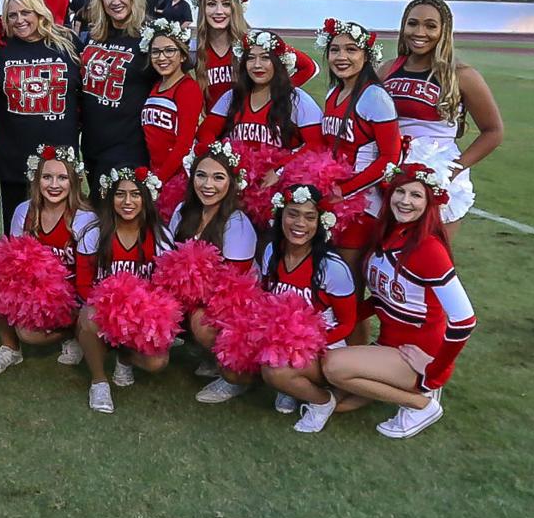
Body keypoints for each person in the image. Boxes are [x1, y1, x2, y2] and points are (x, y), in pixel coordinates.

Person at [322, 162, 476, 439]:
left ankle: (422, 401)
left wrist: (435, 370)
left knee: (333, 366)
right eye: (400, 192)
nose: (405, 201)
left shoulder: (429, 249)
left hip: (419, 353)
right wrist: (334, 323)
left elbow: (465, 321)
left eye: (416, 195)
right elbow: (382, 300)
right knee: (335, 402)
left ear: (429, 202)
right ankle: (409, 388)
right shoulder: (385, 236)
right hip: (390, 346)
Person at [381, 0, 503, 239]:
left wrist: (451, 171)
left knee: (429, 260)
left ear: (444, 31)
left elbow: (493, 131)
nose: (420, 32)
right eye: (413, 24)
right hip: (392, 175)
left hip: (435, 177)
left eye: (430, 26)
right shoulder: (387, 69)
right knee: (384, 256)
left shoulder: (461, 75)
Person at [0, 146, 94, 374]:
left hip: (72, 295)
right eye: (47, 177)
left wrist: (84, 315)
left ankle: (75, 333)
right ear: (36, 180)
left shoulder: (84, 219)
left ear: (74, 181)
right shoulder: (24, 212)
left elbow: (86, 279)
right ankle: (10, 349)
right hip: (35, 289)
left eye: (62, 177)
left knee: (29, 334)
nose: (54, 185)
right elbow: (11, 260)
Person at [256, 185, 357, 433]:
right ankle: (292, 385)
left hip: (323, 345)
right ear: (280, 216)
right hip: (283, 340)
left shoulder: (331, 267)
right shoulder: (271, 252)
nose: (299, 223)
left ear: (321, 223)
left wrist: (303, 345)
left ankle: (322, 401)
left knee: (274, 371)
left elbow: (347, 324)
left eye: (310, 217)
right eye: (292, 214)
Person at [75, 166, 173, 413]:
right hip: (100, 313)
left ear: (146, 198)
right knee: (88, 317)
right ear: (110, 197)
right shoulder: (94, 233)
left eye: (135, 194)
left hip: (141, 317)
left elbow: (164, 288)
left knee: (158, 362)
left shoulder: (160, 236)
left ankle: (125, 357)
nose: (127, 201)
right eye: (120, 194)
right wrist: (110, 311)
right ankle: (99, 381)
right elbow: (84, 283)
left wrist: (136, 317)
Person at [166, 144, 258, 404]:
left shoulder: (237, 223)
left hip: (231, 305)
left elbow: (232, 287)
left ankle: (235, 378)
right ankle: (211, 357)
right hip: (193, 295)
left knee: (202, 322)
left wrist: (188, 304)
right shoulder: (182, 212)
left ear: (231, 182)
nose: (208, 184)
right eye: (201, 175)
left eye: (218, 177)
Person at [0, 0, 82, 231]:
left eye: (26, 12)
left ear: (39, 12)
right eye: (12, 15)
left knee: (63, 231)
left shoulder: (66, 43)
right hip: (14, 157)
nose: (19, 20)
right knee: (18, 234)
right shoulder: (0, 48)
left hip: (60, 157)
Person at [317, 18, 403, 269]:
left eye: (351, 49)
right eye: (335, 50)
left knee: (347, 278)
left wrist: (345, 191)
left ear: (366, 56)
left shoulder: (375, 97)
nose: (341, 56)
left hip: (362, 205)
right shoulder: (334, 92)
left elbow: (390, 158)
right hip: (333, 198)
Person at [79, 0, 156, 195]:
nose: (115, 1)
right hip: (92, 147)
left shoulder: (150, 40)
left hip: (129, 149)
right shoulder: (93, 38)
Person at [192, 0, 316, 112]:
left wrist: (275, 93)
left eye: (226, 4)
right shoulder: (195, 48)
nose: (219, 11)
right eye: (211, 4)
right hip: (213, 129)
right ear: (202, 9)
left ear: (236, 9)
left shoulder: (255, 42)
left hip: (247, 128)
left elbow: (308, 67)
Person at [195, 30, 324, 155]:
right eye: (251, 58)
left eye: (265, 58)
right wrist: (219, 155)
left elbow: (316, 145)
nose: (257, 65)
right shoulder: (232, 96)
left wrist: (280, 169)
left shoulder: (298, 99)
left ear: (279, 61)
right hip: (237, 174)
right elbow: (206, 131)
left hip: (281, 175)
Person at [141, 18, 204, 183]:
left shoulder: (187, 88)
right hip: (155, 172)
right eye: (155, 52)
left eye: (169, 50)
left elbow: (184, 144)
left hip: (176, 177)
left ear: (183, 55)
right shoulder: (156, 86)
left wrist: (159, 180)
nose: (162, 57)